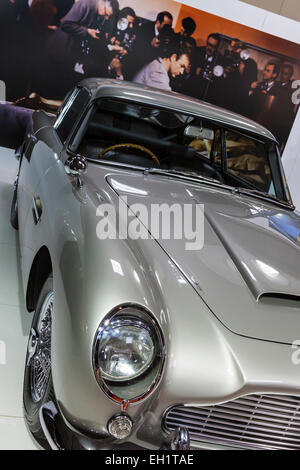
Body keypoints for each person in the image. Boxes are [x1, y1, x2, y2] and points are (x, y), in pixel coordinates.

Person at [131, 11, 173, 76]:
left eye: (169, 26)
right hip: (138, 65)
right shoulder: (144, 28)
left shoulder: (168, 35)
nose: (167, 29)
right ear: (158, 22)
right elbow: (136, 48)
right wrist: (150, 44)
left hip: (153, 70)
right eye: (166, 26)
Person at [107, 6, 138, 79]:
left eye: (132, 23)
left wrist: (125, 51)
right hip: (107, 58)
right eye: (129, 23)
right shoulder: (111, 27)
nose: (131, 26)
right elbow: (106, 45)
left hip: (122, 64)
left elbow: (131, 50)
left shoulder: (132, 33)